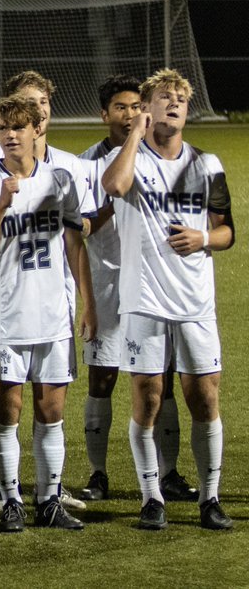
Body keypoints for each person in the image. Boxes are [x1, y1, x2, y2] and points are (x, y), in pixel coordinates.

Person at [100, 68, 234, 531]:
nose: (174, 103)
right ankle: (150, 496)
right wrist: (135, 136)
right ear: (148, 107)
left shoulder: (208, 163)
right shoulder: (129, 159)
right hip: (145, 301)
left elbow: (227, 229)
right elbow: (113, 187)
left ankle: (211, 498)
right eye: (163, 97)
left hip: (196, 302)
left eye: (180, 97)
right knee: (149, 398)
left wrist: (204, 238)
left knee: (204, 397)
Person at [0, 71, 97, 512]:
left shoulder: (59, 180)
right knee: (8, 410)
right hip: (7, 315)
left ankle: (50, 500)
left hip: (54, 312)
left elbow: (76, 244)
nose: (10, 135)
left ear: (37, 128)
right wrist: (2, 203)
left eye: (18, 126)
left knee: (51, 411)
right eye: (3, 128)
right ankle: (11, 499)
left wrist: (88, 304)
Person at [76, 75, 142, 501]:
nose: (130, 114)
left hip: (151, 285)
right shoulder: (87, 162)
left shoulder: (155, 156)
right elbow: (82, 225)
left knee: (160, 378)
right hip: (104, 285)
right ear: (105, 114)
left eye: (137, 106)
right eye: (121, 107)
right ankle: (98, 473)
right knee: (103, 378)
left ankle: (166, 473)